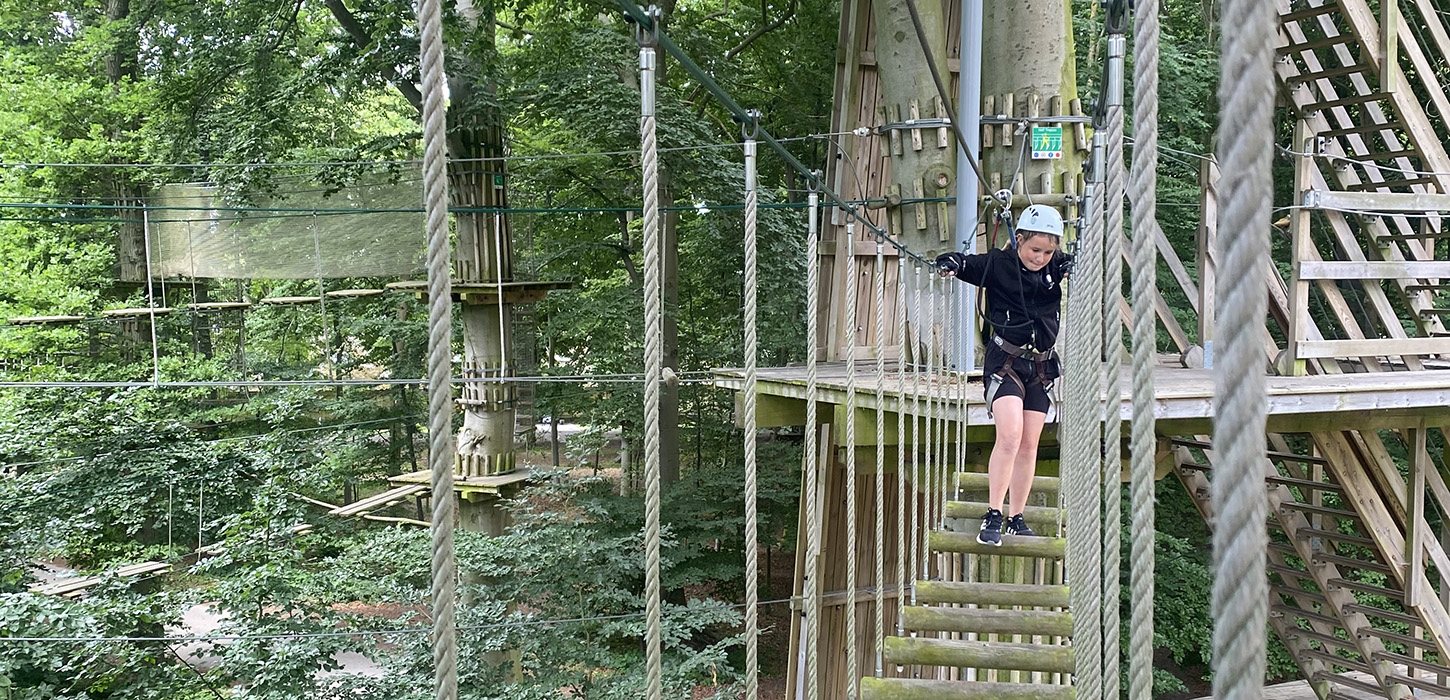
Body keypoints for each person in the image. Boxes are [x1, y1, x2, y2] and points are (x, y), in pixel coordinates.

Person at [934, 204, 1072, 546]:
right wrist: (949, 263)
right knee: (1010, 436)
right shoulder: (999, 264)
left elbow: (1075, 263)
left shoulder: (1057, 265)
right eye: (1034, 249)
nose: (1040, 257)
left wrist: (1071, 264)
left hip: (1040, 367)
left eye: (1047, 251)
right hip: (1005, 363)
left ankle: (1017, 516)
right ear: (1019, 239)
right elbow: (965, 263)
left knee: (1029, 444)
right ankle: (993, 513)